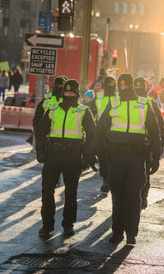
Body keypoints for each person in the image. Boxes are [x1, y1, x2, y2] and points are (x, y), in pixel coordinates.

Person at [90, 73, 162, 245]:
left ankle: (131, 234)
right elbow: (100, 130)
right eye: (120, 86)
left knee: (133, 195)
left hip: (137, 157)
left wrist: (156, 157)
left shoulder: (144, 104)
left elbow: (154, 132)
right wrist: (91, 152)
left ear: (131, 86)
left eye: (126, 86)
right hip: (117, 157)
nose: (123, 88)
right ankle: (117, 233)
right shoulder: (113, 104)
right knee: (117, 195)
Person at [35, 79, 95, 237]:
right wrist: (40, 151)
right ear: (63, 93)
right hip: (53, 155)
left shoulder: (83, 111)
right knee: (47, 190)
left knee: (71, 192)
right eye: (66, 92)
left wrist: (87, 157)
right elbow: (41, 130)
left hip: (72, 156)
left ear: (77, 94)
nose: (68, 94)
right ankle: (47, 225)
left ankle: (68, 224)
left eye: (72, 92)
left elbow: (93, 135)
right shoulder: (54, 108)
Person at [134, 77, 164, 209]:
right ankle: (139, 196)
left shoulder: (150, 103)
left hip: (147, 144)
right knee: (141, 172)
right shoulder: (130, 104)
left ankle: (143, 196)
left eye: (141, 88)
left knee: (145, 172)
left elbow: (159, 126)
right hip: (134, 143)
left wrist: (159, 145)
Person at [94, 76, 117, 193]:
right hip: (101, 132)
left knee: (112, 159)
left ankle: (109, 181)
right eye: (109, 84)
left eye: (113, 84)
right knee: (102, 158)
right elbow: (92, 112)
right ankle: (105, 179)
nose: (111, 87)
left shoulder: (119, 98)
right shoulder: (98, 97)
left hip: (114, 132)